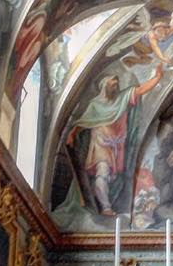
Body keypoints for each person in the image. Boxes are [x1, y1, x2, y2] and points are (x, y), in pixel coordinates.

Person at [69, 65, 164, 215]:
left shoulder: (122, 98)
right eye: (112, 83)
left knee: (112, 177)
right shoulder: (95, 105)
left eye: (116, 83)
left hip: (118, 147)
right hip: (100, 145)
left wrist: (157, 77)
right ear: (104, 86)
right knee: (102, 172)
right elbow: (83, 122)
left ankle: (105, 201)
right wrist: (71, 134)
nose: (116, 85)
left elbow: (140, 90)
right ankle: (105, 207)